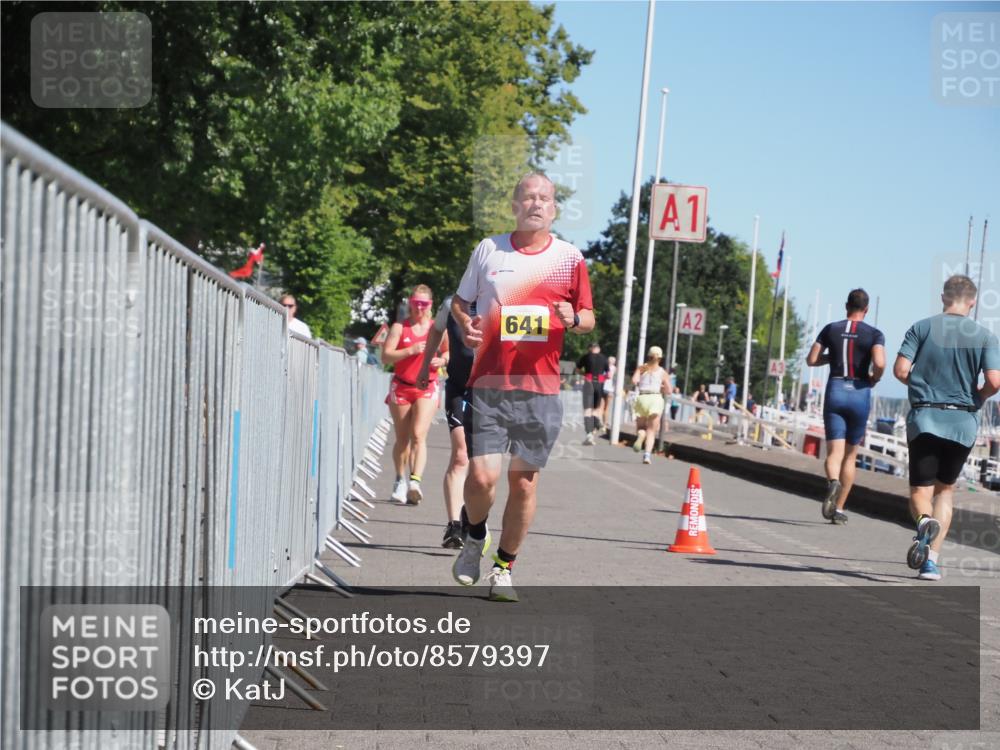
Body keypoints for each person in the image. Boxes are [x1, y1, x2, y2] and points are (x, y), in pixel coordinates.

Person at [449, 172, 594, 602]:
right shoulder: (489, 250)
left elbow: (588, 317)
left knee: (525, 483)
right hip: (490, 382)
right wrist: (467, 326)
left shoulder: (570, 258)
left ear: (554, 209)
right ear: (514, 205)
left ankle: (503, 569)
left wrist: (573, 318)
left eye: (544, 198)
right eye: (528, 197)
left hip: (542, 389)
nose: (535, 204)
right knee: (480, 477)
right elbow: (460, 303)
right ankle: (475, 536)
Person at [893, 275, 1000, 580]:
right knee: (946, 491)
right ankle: (932, 562)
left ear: (943, 297)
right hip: (962, 422)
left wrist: (920, 387)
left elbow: (901, 369)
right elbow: (995, 381)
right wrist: (978, 398)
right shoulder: (985, 337)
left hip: (926, 418)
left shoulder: (922, 328)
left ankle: (924, 522)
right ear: (972, 301)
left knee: (919, 490)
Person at [806, 289, 886, 525]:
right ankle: (839, 508)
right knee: (850, 457)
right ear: (867, 309)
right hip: (860, 393)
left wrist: (831, 357)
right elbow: (880, 362)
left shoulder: (831, 328)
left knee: (834, 454)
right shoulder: (874, 333)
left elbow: (811, 360)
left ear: (846, 306)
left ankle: (832, 482)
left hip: (836, 390)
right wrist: (874, 377)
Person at [416, 295, 475, 549]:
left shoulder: (500, 299)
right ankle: (454, 525)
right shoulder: (451, 304)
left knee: (482, 464)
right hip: (459, 389)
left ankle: (472, 514)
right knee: (461, 454)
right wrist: (424, 366)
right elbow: (436, 331)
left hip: (491, 391)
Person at [381, 285, 448, 505]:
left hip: (427, 386)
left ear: (431, 305)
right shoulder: (400, 327)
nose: (420, 308)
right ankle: (399, 479)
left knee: (418, 434)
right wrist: (410, 351)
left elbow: (449, 350)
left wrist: (443, 360)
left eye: (424, 304)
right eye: (416, 303)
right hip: (402, 386)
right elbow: (386, 356)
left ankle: (415, 482)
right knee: (402, 440)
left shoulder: (436, 328)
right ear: (410, 302)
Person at [630, 346, 671, 464]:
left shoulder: (642, 368)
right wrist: (661, 387)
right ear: (660, 358)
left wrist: (638, 371)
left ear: (648, 356)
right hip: (655, 399)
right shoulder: (662, 372)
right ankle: (647, 455)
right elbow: (668, 390)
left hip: (642, 398)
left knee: (641, 428)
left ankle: (641, 435)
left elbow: (634, 381)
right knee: (652, 431)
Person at [576, 342, 609, 445]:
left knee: (587, 410)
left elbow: (577, 369)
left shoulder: (586, 357)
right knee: (596, 409)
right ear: (598, 348)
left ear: (590, 348)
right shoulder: (604, 358)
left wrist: (584, 374)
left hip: (589, 382)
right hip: (599, 384)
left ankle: (589, 434)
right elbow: (608, 373)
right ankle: (597, 422)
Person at [601, 356, 617, 431]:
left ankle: (601, 423)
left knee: (601, 407)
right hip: (610, 389)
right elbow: (614, 378)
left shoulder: (603, 367)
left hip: (603, 388)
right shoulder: (614, 368)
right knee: (606, 408)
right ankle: (604, 424)